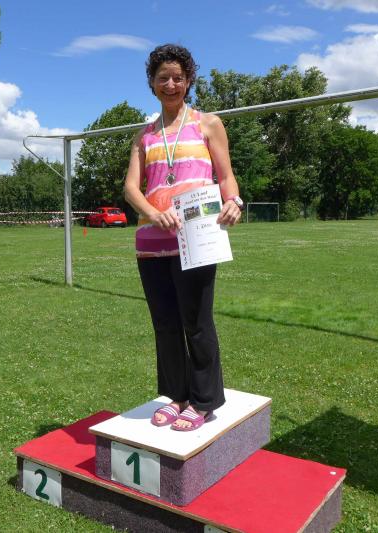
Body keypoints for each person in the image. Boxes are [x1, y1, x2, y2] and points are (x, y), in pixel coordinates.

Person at [123, 44, 244, 431]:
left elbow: (226, 176)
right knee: (165, 324)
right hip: (151, 244)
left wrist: (234, 201)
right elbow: (131, 188)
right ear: (152, 83)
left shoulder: (208, 124)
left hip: (196, 240)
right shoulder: (144, 135)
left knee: (197, 322)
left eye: (178, 77)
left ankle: (204, 401)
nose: (171, 84)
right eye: (163, 78)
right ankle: (176, 396)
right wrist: (152, 213)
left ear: (189, 81)